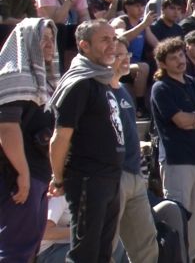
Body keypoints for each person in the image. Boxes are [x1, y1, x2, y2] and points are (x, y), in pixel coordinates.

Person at [47, 20, 124, 262]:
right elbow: (60, 138)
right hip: (89, 179)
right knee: (85, 254)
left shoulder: (101, 80)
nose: (112, 45)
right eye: (104, 40)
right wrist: (58, 179)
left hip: (110, 178)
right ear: (84, 45)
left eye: (113, 39)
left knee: (103, 252)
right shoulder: (79, 83)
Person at [150, 37, 195, 261]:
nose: (179, 60)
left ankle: (191, 258)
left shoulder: (191, 82)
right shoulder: (161, 88)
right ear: (163, 63)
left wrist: (193, 119)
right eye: (173, 58)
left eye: (180, 55)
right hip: (175, 159)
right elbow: (180, 120)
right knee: (178, 216)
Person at [0, 19, 58, 262]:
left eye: (51, 38)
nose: (49, 44)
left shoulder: (40, 79)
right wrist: (23, 175)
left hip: (38, 174)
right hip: (18, 177)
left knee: (29, 247)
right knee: (15, 249)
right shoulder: (15, 75)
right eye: (42, 38)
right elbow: (7, 128)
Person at [109, 37, 159, 262]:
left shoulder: (122, 91)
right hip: (110, 176)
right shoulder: (94, 89)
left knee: (146, 245)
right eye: (119, 55)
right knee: (106, 244)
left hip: (134, 175)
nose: (126, 59)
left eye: (127, 55)